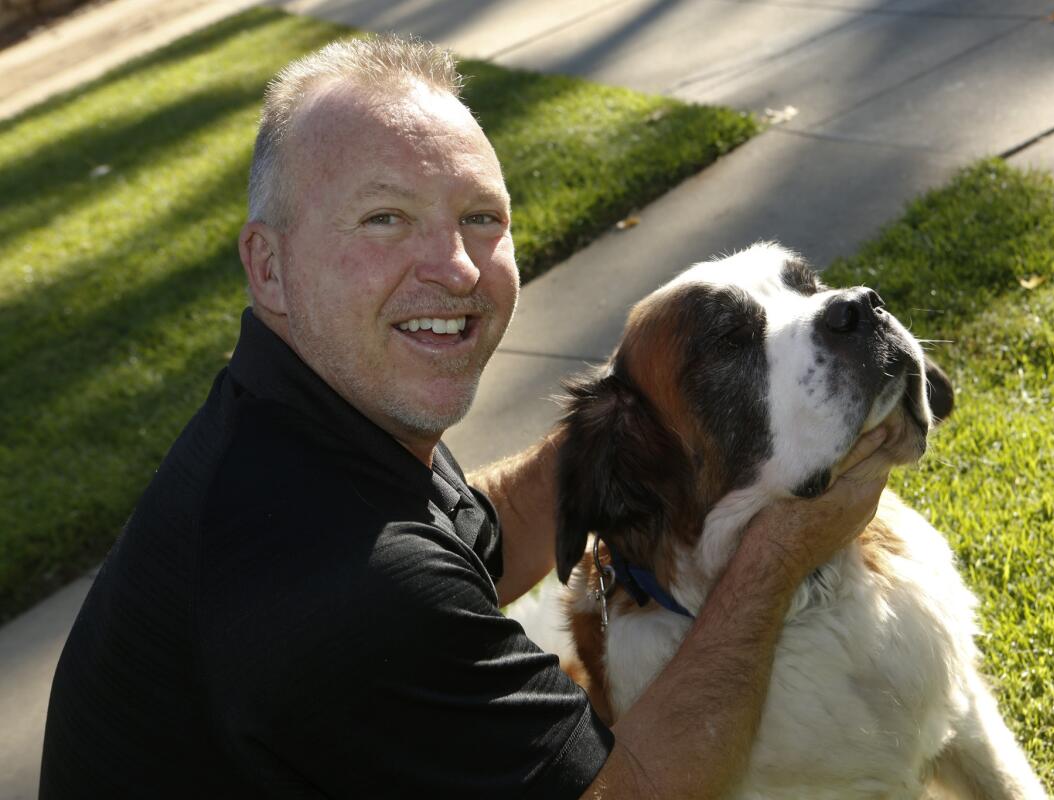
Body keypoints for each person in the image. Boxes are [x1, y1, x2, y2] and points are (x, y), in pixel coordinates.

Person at [39, 35, 893, 799]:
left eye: (481, 218)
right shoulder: (338, 582)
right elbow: (641, 790)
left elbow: (488, 526)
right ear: (269, 266)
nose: (454, 268)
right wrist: (777, 553)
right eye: (385, 219)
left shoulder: (301, 420)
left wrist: (651, 402)